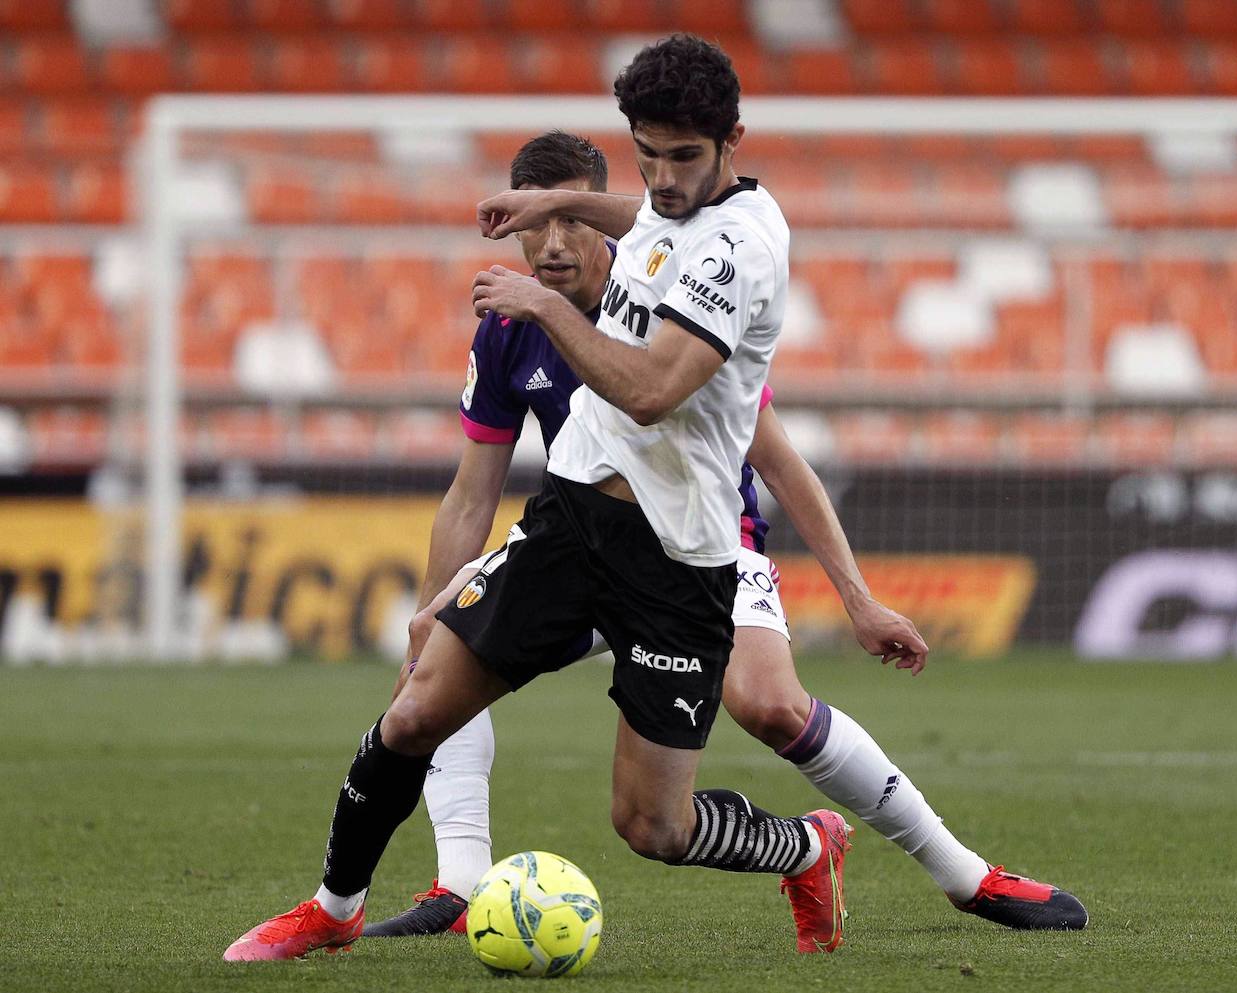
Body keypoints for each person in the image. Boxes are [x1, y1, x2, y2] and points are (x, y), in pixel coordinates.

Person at [363, 131, 1088, 946]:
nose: (554, 241)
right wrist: (434, 605)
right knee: (438, 652)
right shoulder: (505, 328)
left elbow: (777, 460)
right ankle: (460, 882)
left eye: (571, 216)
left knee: (772, 705)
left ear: (609, 222)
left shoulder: (670, 293)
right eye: (538, 222)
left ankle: (964, 874)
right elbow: (471, 494)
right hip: (579, 540)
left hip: (699, 547)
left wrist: (858, 598)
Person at [226, 34, 860, 963]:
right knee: (413, 714)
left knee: (654, 825)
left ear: (734, 141)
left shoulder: (742, 252)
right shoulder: (670, 204)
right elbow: (645, 215)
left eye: (684, 157)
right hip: (568, 526)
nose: (662, 177)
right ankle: (334, 905)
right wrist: (558, 199)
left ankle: (804, 845)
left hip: (677, 562)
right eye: (646, 153)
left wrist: (544, 304)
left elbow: (650, 388)